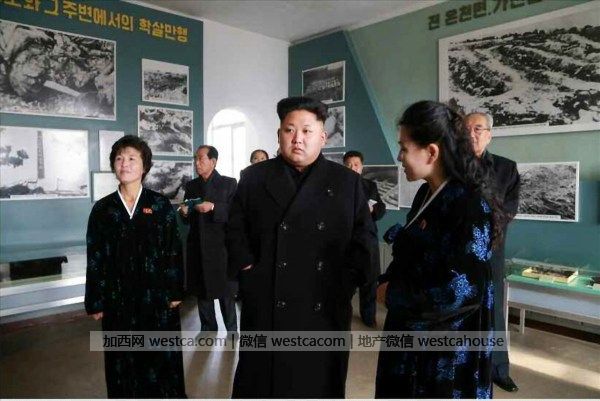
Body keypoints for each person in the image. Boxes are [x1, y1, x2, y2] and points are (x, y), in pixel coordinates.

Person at [227, 96, 378, 398]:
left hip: (324, 303)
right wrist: (248, 269)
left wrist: (345, 282)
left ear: (323, 137)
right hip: (267, 299)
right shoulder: (253, 177)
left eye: (307, 131)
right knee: (261, 382)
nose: (298, 139)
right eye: (289, 130)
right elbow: (234, 229)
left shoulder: (347, 182)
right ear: (279, 135)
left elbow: (365, 240)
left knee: (317, 383)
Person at [376, 101, 507, 399]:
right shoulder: (428, 193)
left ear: (432, 152)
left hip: (445, 349)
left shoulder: (469, 205)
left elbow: (458, 292)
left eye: (404, 148)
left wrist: (392, 293)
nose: (399, 157)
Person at [84, 135, 186, 398]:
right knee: (122, 360)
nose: (124, 163)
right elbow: (95, 255)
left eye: (132, 158)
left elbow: (173, 249)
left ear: (144, 166)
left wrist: (175, 290)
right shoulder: (103, 209)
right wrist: (95, 299)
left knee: (160, 360)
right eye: (119, 158)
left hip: (157, 297)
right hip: (118, 299)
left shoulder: (160, 205)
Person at [465, 111, 520, 393]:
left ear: (489, 134)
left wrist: (480, 226)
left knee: (494, 307)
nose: (472, 133)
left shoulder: (506, 168)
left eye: (478, 128)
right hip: (457, 250)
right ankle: (465, 366)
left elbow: (508, 210)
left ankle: (499, 368)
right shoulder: (451, 166)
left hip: (491, 249)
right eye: (467, 129)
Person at [179, 145, 238, 334]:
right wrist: (184, 212)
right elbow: (186, 217)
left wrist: (213, 207)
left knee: (225, 291)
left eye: (200, 159)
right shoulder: (191, 186)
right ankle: (208, 328)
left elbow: (236, 213)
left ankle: (231, 330)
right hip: (197, 244)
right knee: (201, 289)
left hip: (220, 246)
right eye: (195, 159)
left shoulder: (229, 183)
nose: (197, 163)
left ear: (213, 161)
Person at [343, 150, 386, 327]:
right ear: (344, 166)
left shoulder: (370, 186)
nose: (353, 168)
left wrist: (373, 210)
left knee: (370, 280)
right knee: (345, 282)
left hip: (367, 239)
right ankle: (342, 315)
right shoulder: (336, 186)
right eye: (349, 165)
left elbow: (381, 208)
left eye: (356, 165)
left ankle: (368, 317)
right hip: (345, 240)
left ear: (361, 167)